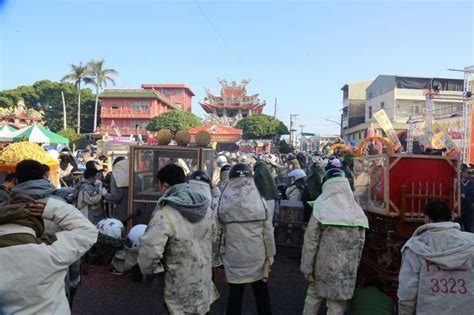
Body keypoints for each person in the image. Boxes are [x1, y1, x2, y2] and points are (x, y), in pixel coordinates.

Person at [0, 159, 98, 314]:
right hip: (58, 269)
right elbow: (86, 232)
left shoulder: (9, 206)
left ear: (17, 180)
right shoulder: (57, 204)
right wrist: (74, 277)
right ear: (44, 176)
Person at [138, 164, 216, 314]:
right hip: (203, 282)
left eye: (158, 185)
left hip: (177, 286)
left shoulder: (164, 214)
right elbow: (214, 238)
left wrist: (148, 272)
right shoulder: (206, 210)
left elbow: (150, 252)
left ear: (165, 185)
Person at [300, 168, 368, 315]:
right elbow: (360, 245)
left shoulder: (321, 208)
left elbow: (310, 242)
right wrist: (353, 267)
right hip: (345, 269)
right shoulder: (357, 212)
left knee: (313, 297)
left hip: (322, 266)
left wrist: (307, 268)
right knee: (336, 306)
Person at [217, 163, 276, 315]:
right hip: (257, 255)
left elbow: (217, 232)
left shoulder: (222, 202)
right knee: (261, 294)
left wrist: (217, 252)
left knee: (235, 295)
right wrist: (270, 256)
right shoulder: (260, 202)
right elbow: (268, 231)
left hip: (233, 256)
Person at [398, 200, 474, 314]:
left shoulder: (415, 247)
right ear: (451, 217)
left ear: (427, 219)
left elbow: (407, 289)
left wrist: (404, 312)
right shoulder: (471, 243)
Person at [460, 165, 474, 232]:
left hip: (469, 211)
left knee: (468, 229)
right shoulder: (457, 183)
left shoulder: (473, 184)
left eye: (471, 173)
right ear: (462, 173)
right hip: (459, 210)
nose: (470, 175)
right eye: (468, 173)